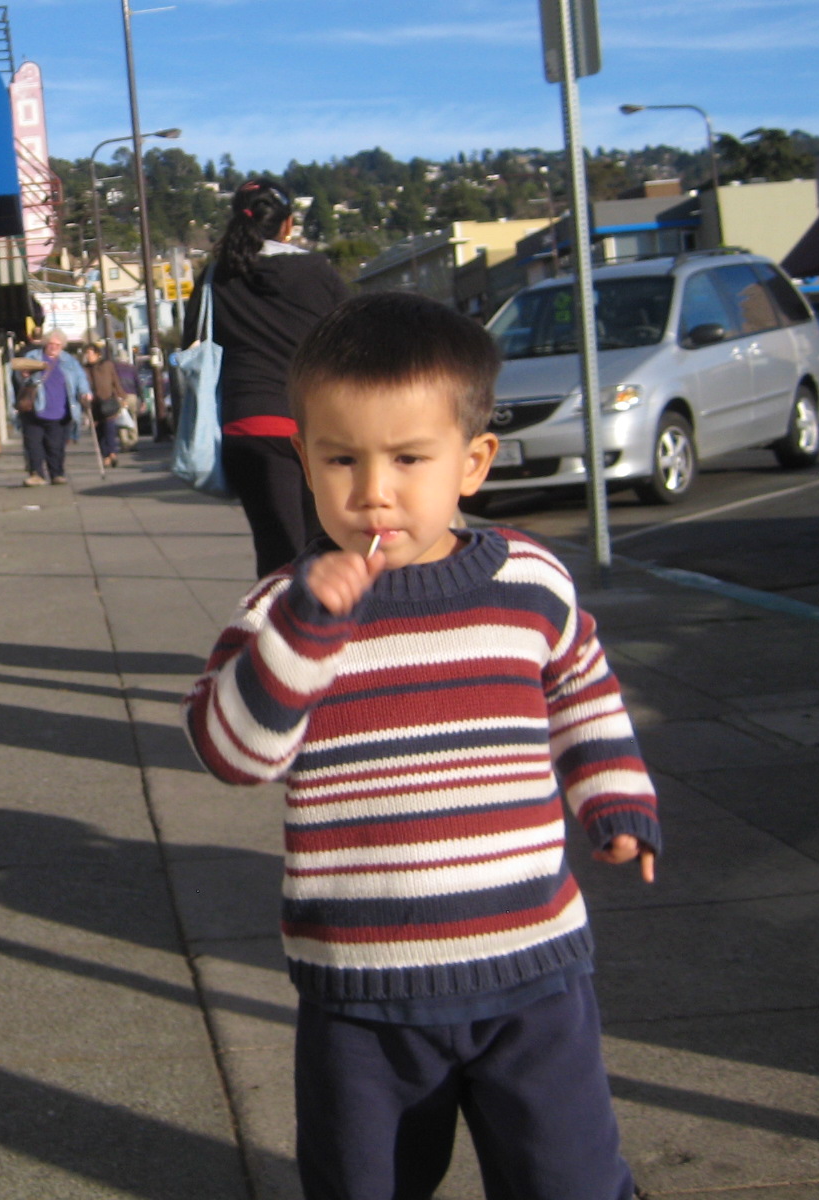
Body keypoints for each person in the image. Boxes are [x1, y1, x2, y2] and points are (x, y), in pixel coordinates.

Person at [184, 291, 660, 1200]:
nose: (372, 492)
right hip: (362, 991)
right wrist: (305, 628)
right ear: (303, 462)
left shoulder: (530, 582)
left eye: (408, 459)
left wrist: (614, 794)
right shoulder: (281, 611)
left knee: (568, 1176)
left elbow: (582, 686)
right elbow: (231, 751)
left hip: (533, 968)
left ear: (473, 461)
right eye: (341, 460)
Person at [183, 178, 348, 576]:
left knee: (276, 551)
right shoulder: (317, 271)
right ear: (287, 225)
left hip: (249, 423)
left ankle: (276, 630)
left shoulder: (214, 279)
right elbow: (353, 338)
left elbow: (192, 344)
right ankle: (326, 632)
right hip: (317, 425)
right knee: (325, 545)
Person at [13, 329, 91, 486]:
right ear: (45, 343)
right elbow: (16, 376)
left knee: (56, 446)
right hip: (34, 408)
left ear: (62, 346)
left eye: (57, 344)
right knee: (33, 445)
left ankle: (57, 474)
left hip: (60, 410)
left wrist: (85, 392)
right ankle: (36, 474)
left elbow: (80, 378)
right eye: (51, 344)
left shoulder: (69, 361)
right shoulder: (33, 357)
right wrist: (24, 376)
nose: (54, 347)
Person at [82, 340, 125, 467]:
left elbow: (115, 380)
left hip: (108, 401)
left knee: (110, 430)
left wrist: (121, 395)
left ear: (97, 354)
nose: (88, 356)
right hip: (94, 405)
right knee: (99, 432)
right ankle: (105, 455)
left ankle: (112, 453)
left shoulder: (107, 365)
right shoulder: (85, 369)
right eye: (86, 354)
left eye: (90, 353)